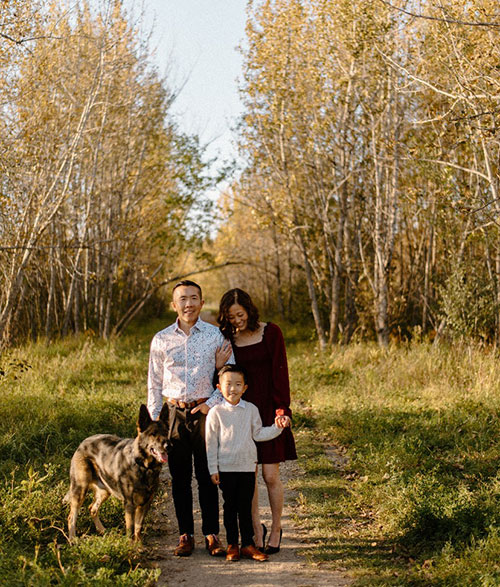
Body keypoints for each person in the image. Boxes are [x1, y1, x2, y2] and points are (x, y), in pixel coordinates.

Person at [148, 280, 233, 557]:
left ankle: (211, 534)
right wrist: (154, 425)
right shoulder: (161, 339)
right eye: (182, 299)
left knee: (208, 476)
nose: (188, 304)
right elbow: (154, 383)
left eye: (194, 298)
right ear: (174, 305)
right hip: (172, 415)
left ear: (201, 302)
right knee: (179, 478)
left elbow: (228, 378)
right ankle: (185, 534)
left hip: (204, 411)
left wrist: (213, 403)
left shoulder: (215, 336)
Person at [217, 288, 297, 554]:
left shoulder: (271, 333)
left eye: (240, 314)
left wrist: (281, 409)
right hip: (243, 414)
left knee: (270, 475)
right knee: (248, 477)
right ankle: (254, 530)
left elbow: (280, 372)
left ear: (249, 310)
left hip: (270, 410)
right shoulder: (227, 338)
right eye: (231, 316)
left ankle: (276, 528)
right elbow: (225, 377)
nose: (236, 320)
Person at [206, 364, 289, 562]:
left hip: (246, 467)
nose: (233, 389)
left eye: (238, 384)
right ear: (219, 387)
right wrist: (212, 468)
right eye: (228, 384)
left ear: (245, 388)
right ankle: (232, 544)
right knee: (230, 507)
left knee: (245, 508)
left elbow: (258, 434)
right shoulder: (215, 412)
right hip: (226, 468)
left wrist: (277, 428)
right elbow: (210, 443)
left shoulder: (251, 410)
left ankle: (247, 545)